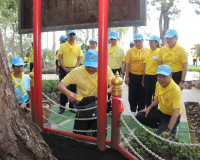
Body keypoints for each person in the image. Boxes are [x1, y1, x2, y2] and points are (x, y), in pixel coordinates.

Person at [58, 49, 114, 137]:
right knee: (77, 134)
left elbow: (115, 86)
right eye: (88, 66)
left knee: (101, 136)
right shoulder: (77, 71)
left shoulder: (106, 69)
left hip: (100, 105)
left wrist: (104, 92)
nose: (91, 68)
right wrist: (68, 93)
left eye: (94, 66)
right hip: (83, 106)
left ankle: (94, 126)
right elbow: (61, 85)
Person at [136, 65, 183, 135]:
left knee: (162, 136)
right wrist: (149, 108)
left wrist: (168, 130)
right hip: (162, 113)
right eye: (159, 76)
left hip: (172, 116)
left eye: (164, 76)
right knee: (139, 116)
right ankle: (161, 128)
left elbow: (176, 113)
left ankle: (171, 129)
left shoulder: (176, 90)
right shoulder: (158, 83)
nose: (161, 79)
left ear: (170, 75)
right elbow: (157, 98)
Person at [58, 30, 83, 114]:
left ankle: (72, 107)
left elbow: (80, 58)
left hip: (74, 70)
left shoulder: (78, 47)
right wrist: (64, 68)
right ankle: (62, 107)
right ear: (67, 35)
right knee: (63, 88)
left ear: (75, 35)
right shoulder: (63, 46)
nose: (72, 36)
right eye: (70, 35)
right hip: (64, 69)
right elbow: (60, 58)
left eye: (73, 35)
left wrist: (75, 68)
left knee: (73, 88)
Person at [125, 33, 149, 116]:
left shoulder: (148, 50)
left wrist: (145, 77)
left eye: (139, 41)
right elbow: (127, 64)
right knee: (132, 94)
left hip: (143, 76)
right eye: (136, 42)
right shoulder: (130, 51)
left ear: (143, 41)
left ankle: (141, 111)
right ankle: (132, 110)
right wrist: (127, 76)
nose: (138, 43)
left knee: (142, 94)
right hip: (132, 75)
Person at [107, 31, 125, 113]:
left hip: (116, 71)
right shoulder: (106, 48)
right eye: (111, 39)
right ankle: (107, 108)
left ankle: (115, 108)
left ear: (118, 39)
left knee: (115, 90)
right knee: (107, 90)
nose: (112, 41)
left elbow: (123, 62)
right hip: (107, 71)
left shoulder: (120, 50)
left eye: (114, 39)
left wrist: (123, 73)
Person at [142, 35, 160, 109]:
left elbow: (160, 65)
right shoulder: (149, 52)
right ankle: (147, 110)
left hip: (155, 76)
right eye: (149, 42)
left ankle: (154, 112)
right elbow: (145, 65)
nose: (150, 43)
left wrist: (159, 78)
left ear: (157, 43)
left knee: (155, 95)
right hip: (147, 76)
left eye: (152, 42)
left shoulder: (159, 52)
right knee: (147, 95)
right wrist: (143, 78)